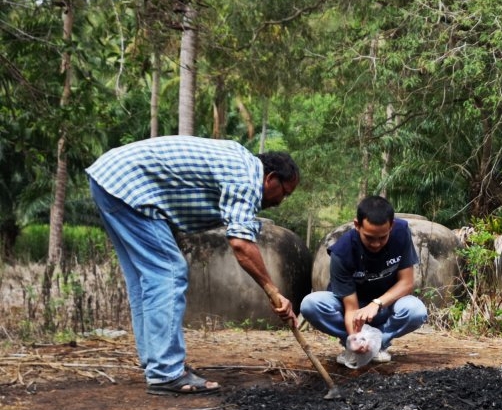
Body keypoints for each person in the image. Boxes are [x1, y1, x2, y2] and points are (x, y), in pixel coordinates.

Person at [86, 136, 300, 396]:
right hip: (128, 184)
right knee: (169, 272)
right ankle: (165, 372)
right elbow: (241, 245)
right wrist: (272, 290)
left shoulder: (239, 165)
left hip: (112, 180)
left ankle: (158, 363)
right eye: (285, 192)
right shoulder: (246, 177)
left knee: (145, 281)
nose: (282, 200)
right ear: (270, 178)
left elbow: (239, 227)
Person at [299, 195, 427, 368]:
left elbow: (406, 282)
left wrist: (376, 304)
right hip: (351, 309)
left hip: (385, 306)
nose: (376, 244)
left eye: (382, 237)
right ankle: (353, 344)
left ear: (392, 226)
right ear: (357, 225)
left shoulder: (401, 232)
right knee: (311, 304)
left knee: (416, 310)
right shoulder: (342, 252)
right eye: (369, 237)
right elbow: (351, 307)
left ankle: (378, 343)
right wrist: (355, 337)